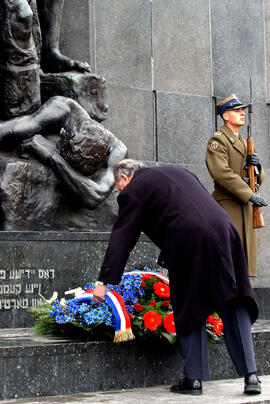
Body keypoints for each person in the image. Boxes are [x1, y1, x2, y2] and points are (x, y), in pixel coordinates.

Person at [93, 159, 261, 396]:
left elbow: (122, 237)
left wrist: (105, 281)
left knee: (190, 304)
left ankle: (193, 380)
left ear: (124, 178)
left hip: (189, 239)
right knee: (233, 300)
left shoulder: (134, 189)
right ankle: (251, 377)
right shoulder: (179, 172)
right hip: (225, 229)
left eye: (118, 187)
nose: (121, 192)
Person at [0, 96, 127, 208]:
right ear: (62, 133)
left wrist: (52, 155)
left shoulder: (117, 150)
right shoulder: (61, 109)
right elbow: (8, 130)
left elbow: (96, 197)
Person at [206, 95, 267, 277]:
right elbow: (221, 173)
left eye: (243, 110)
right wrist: (248, 193)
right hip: (228, 205)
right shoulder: (218, 141)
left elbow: (257, 178)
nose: (242, 113)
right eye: (237, 110)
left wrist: (257, 167)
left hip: (244, 206)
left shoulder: (243, 140)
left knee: (243, 265)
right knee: (229, 261)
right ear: (225, 116)